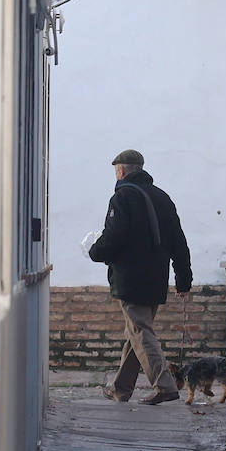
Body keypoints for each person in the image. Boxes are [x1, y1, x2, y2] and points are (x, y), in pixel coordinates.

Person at [89, 148, 193, 405]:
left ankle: (165, 386)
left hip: (130, 279)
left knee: (140, 332)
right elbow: (179, 242)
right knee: (136, 333)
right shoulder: (162, 197)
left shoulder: (122, 197)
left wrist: (94, 251)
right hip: (156, 279)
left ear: (121, 171)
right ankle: (120, 389)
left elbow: (113, 237)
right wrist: (183, 279)